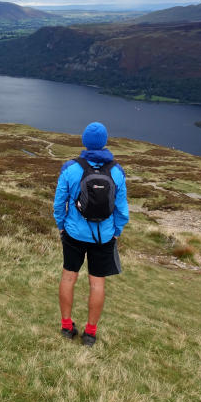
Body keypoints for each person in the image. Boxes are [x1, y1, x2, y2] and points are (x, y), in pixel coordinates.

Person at [53, 122, 128, 346]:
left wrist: (62, 226)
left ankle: (67, 327)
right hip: (103, 237)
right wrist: (116, 232)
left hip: (74, 234)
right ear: (104, 142)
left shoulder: (70, 168)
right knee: (97, 283)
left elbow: (59, 203)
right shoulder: (116, 171)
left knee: (69, 277)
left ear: (84, 141)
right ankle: (90, 334)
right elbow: (121, 209)